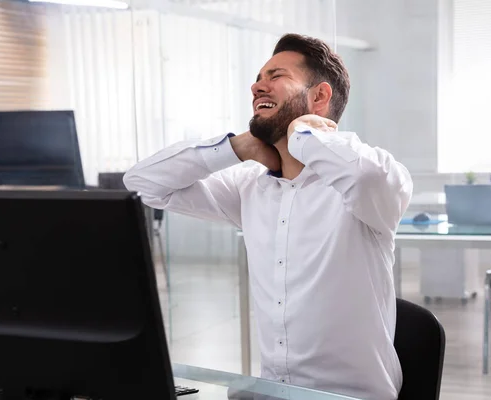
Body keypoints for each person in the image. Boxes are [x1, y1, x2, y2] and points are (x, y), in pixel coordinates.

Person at [123, 33, 413, 400]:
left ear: (319, 97)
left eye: (275, 76)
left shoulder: (373, 181)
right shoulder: (249, 186)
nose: (257, 85)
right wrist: (235, 147)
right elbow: (142, 183)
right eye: (259, 77)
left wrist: (302, 133)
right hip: (269, 393)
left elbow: (366, 177)